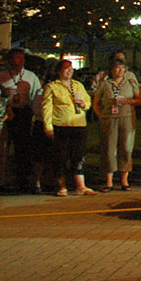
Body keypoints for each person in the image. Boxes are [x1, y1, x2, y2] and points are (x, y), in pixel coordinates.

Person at [40, 60, 95, 196]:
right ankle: (61, 185)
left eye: (71, 68)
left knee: (79, 155)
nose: (69, 71)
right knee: (60, 156)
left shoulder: (78, 85)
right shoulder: (52, 87)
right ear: (59, 71)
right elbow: (47, 108)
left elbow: (88, 100)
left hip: (79, 124)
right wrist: (48, 126)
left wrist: (83, 104)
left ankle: (81, 186)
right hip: (61, 125)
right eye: (66, 68)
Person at [92, 61, 141, 191]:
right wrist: (101, 115)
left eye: (122, 68)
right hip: (109, 118)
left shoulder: (130, 83)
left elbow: (139, 100)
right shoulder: (105, 84)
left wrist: (127, 101)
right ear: (111, 70)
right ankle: (109, 181)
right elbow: (96, 102)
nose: (119, 70)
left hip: (126, 117)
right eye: (117, 68)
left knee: (126, 147)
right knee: (109, 148)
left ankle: (124, 180)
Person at [0, 48, 41, 193]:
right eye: (17, 57)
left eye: (22, 58)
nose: (20, 61)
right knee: (2, 147)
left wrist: (34, 113)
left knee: (23, 148)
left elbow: (36, 95)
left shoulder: (30, 76)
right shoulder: (2, 76)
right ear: (10, 60)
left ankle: (23, 180)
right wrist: (2, 94)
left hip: (23, 113)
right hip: (6, 112)